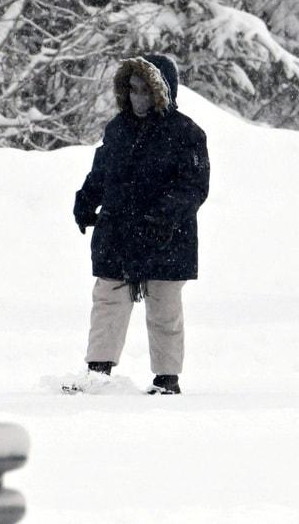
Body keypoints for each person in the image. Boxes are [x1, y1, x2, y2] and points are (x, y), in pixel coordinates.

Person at [70, 53, 210, 394]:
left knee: (164, 309)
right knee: (107, 301)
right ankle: (97, 373)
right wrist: (86, 200)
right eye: (132, 89)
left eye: (145, 90)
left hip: (167, 238)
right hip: (118, 232)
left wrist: (165, 216)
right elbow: (101, 172)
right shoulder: (117, 129)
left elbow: (194, 186)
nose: (137, 97)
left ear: (162, 91)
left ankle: (167, 379)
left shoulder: (187, 133)